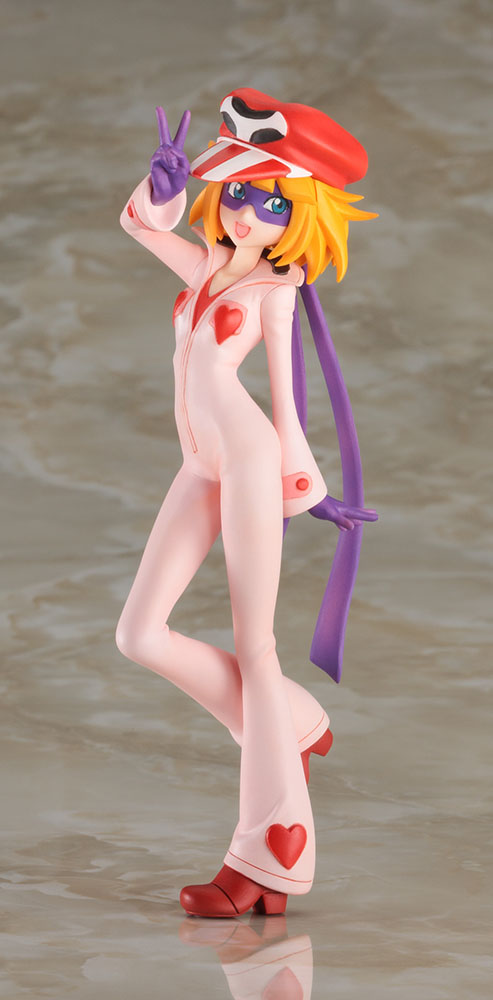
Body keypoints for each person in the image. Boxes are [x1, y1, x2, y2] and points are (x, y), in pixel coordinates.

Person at [116, 88, 377, 917]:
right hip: (201, 464)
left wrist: (312, 488)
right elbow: (140, 226)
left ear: (300, 216)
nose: (244, 211)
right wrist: (162, 189)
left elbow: (287, 399)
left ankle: (266, 860)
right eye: (236, 191)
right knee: (138, 634)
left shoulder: (276, 287)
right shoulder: (208, 265)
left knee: (254, 647)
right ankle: (294, 721)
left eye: (270, 201)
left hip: (250, 460)